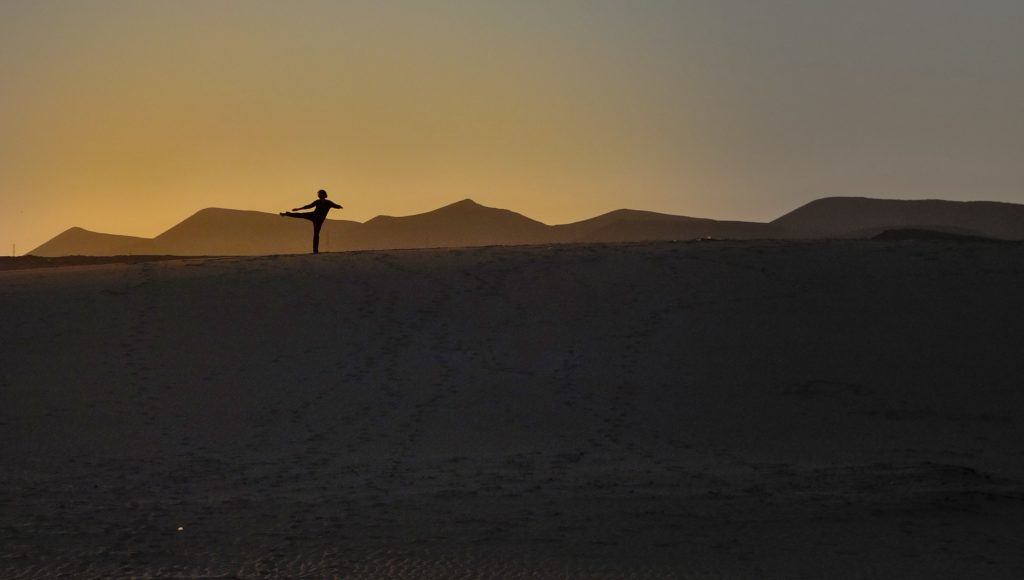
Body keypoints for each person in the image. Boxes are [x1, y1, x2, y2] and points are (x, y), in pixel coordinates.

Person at [280, 189, 342, 254]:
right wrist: (298, 208)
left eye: (320, 194)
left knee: (316, 234)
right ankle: (286, 214)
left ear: (324, 195)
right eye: (319, 195)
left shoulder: (328, 202)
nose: (319, 196)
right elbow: (309, 206)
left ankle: (315, 251)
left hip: (319, 220)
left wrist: (339, 206)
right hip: (314, 215)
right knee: (301, 215)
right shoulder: (317, 201)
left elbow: (335, 206)